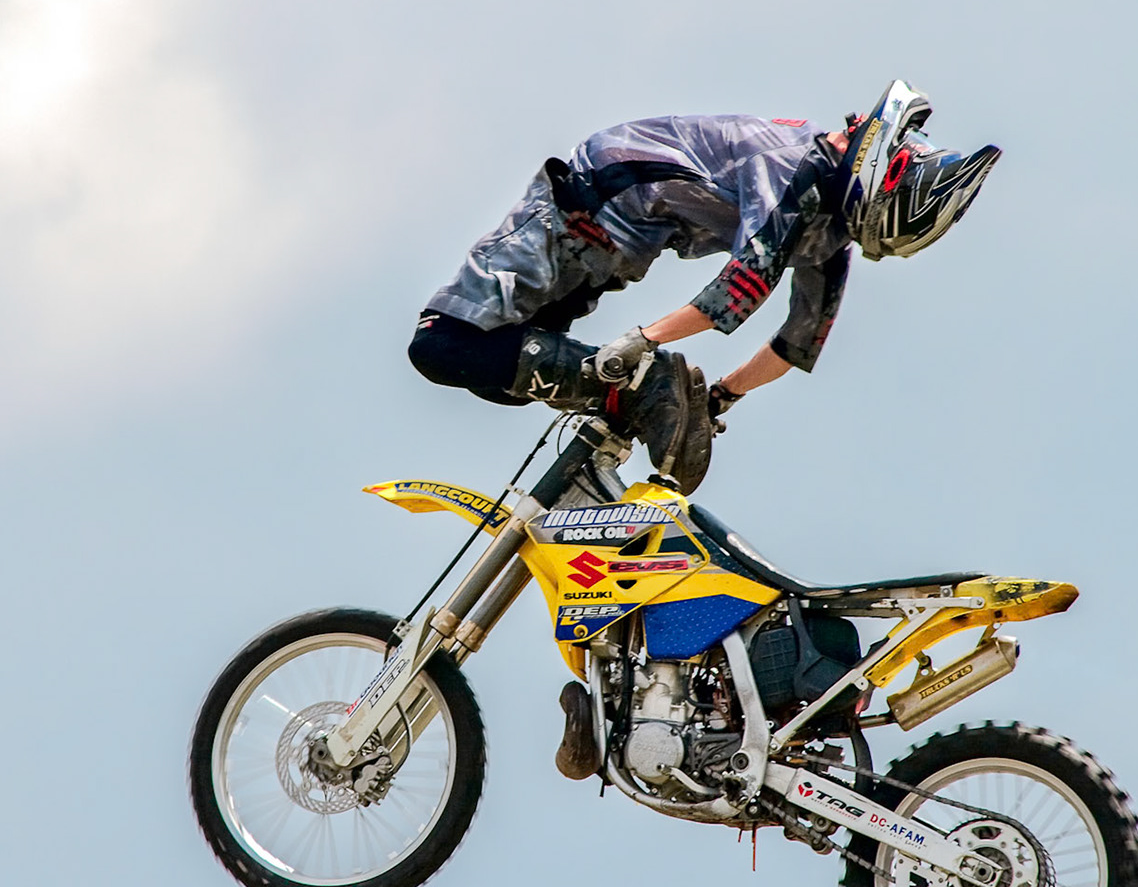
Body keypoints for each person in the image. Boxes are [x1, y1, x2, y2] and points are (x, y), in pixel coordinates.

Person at [406, 80, 1003, 779]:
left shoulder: (825, 219)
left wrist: (713, 394)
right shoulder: (788, 164)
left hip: (602, 238)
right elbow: (743, 295)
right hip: (587, 208)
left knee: (446, 346)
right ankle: (634, 405)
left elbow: (793, 342)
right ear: (884, 174)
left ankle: (621, 642)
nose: (858, 235)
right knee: (499, 371)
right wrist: (642, 349)